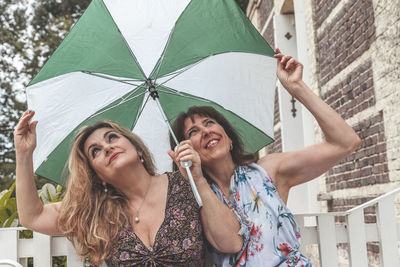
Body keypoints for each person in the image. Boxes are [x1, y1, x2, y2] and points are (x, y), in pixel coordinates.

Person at [169, 48, 362, 266]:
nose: (205, 132)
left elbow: (345, 143)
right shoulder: (189, 199)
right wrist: (198, 181)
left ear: (229, 138)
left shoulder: (267, 171)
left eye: (210, 122)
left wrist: (296, 87)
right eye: (192, 132)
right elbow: (230, 244)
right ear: (183, 150)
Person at [14, 114, 243, 266]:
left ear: (138, 149)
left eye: (112, 137)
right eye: (95, 151)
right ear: (98, 176)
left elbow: (231, 243)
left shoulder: (185, 183)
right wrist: (24, 154)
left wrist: (199, 181)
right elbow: (33, 216)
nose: (107, 147)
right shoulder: (99, 214)